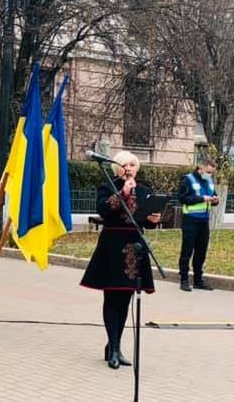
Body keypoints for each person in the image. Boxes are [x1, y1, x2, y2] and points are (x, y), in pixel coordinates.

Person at [80, 151, 161, 369]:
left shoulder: (144, 190)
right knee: (111, 297)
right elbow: (104, 210)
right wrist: (122, 193)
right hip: (112, 247)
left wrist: (154, 219)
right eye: (124, 164)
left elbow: (147, 219)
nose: (129, 168)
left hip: (134, 250)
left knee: (124, 299)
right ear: (117, 168)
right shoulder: (108, 186)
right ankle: (114, 348)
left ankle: (113, 345)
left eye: (133, 164)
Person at [177, 159, 219, 291]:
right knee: (187, 250)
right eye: (208, 172)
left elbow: (212, 196)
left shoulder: (209, 181)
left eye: (211, 173)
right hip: (190, 219)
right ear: (200, 168)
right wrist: (202, 199)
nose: (209, 175)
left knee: (201, 251)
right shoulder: (188, 179)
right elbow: (182, 198)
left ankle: (198, 280)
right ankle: (184, 279)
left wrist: (215, 200)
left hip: (204, 220)